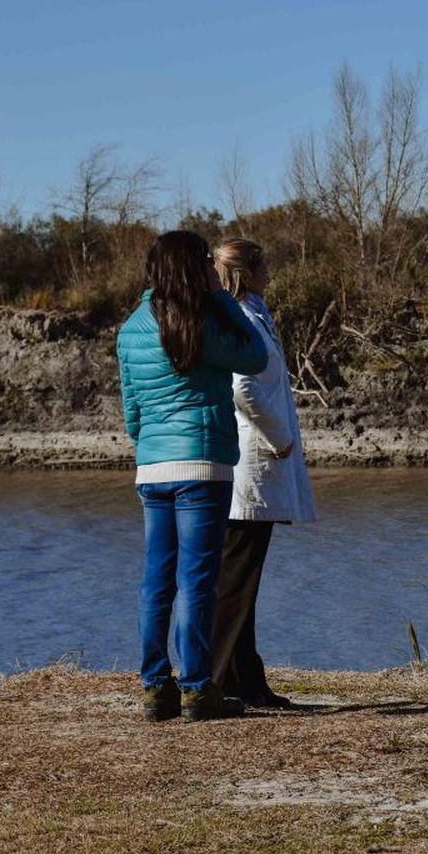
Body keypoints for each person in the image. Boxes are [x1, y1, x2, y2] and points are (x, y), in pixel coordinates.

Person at [118, 230, 267, 723]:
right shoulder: (202, 320)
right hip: (203, 464)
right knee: (197, 579)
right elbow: (255, 354)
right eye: (205, 262)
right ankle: (199, 688)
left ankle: (155, 687)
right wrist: (224, 296)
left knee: (155, 580)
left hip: (153, 466)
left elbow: (132, 409)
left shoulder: (131, 328)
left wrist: (148, 451)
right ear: (194, 267)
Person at [208, 238, 316, 708]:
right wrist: (279, 438)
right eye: (266, 262)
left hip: (261, 456)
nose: (271, 269)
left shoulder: (253, 313)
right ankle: (216, 682)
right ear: (248, 271)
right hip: (252, 458)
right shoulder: (240, 317)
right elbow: (244, 389)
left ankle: (246, 680)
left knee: (242, 578)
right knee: (236, 578)